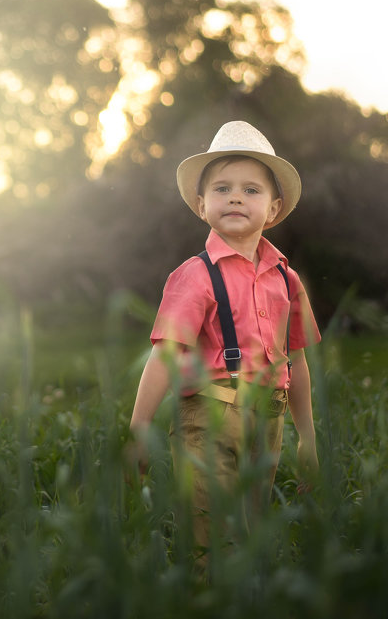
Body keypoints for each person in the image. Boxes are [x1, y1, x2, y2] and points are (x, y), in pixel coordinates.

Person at [129, 120, 321, 571]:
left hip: (268, 423)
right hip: (207, 419)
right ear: (201, 205)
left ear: (273, 209)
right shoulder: (194, 275)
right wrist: (139, 427)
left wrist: (308, 436)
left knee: (251, 534)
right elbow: (166, 353)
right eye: (222, 188)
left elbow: (297, 362)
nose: (236, 196)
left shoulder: (286, 279)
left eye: (251, 190)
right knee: (211, 539)